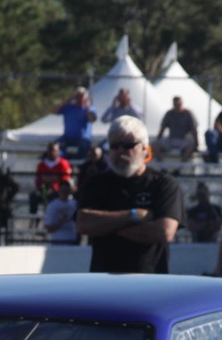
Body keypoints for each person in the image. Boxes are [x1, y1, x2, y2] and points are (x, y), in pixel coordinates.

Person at [77, 116, 185, 274]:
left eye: (128, 145)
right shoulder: (97, 183)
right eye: (114, 146)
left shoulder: (164, 184)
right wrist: (133, 215)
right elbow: (83, 223)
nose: (120, 151)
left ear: (144, 149)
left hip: (150, 283)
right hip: (103, 284)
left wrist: (107, 226)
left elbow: (164, 232)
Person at [55, 86, 97, 158]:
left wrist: (87, 108)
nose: (79, 99)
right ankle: (64, 162)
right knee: (55, 146)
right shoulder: (69, 107)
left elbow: (92, 119)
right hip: (67, 137)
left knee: (84, 146)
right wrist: (68, 100)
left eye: (81, 96)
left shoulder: (90, 109)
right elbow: (54, 111)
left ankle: (77, 163)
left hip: (82, 138)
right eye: (78, 96)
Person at [32, 142, 72, 215]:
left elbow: (65, 180)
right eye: (50, 150)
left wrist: (54, 186)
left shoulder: (63, 164)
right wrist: (45, 189)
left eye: (54, 150)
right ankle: (33, 218)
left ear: (58, 152)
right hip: (44, 190)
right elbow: (39, 181)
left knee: (54, 196)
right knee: (34, 196)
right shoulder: (42, 165)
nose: (52, 152)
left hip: (59, 191)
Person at [157, 96, 199, 161]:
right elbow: (162, 128)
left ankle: (181, 165)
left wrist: (196, 143)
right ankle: (161, 165)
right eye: (176, 105)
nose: (177, 106)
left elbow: (194, 129)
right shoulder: (169, 114)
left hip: (184, 140)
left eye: (179, 104)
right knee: (155, 145)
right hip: (171, 139)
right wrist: (158, 140)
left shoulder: (188, 114)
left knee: (191, 145)